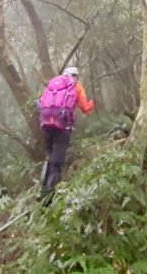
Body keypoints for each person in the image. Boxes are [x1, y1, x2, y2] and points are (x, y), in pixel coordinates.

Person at [38, 66, 95, 202]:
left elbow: (40, 103)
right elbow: (86, 109)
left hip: (46, 124)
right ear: (75, 76)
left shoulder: (53, 85)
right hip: (62, 126)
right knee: (57, 162)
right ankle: (48, 198)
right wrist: (92, 103)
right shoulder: (76, 86)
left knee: (50, 157)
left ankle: (42, 188)